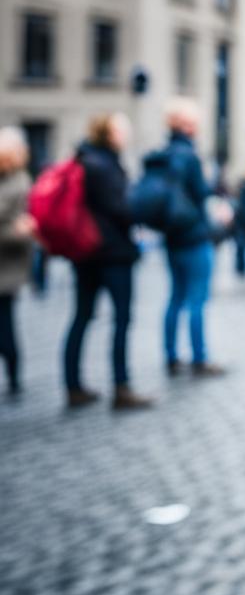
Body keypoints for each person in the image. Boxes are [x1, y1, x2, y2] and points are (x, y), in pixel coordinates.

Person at [65, 114, 152, 409]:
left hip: (86, 253)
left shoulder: (84, 160)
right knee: (121, 319)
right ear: (110, 134)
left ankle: (73, 384)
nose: (126, 135)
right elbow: (122, 209)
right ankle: (121, 386)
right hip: (112, 253)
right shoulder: (103, 166)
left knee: (82, 316)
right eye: (122, 130)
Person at [159, 98, 225, 377]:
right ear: (187, 124)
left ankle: (171, 356)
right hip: (195, 237)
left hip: (171, 238)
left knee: (175, 297)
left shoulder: (164, 154)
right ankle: (199, 357)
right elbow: (202, 194)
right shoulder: (190, 156)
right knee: (198, 299)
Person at [0, 127, 35, 395]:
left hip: (7, 267)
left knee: (6, 324)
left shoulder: (21, 182)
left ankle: (13, 374)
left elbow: (24, 230)